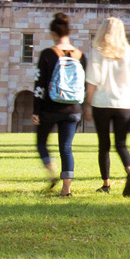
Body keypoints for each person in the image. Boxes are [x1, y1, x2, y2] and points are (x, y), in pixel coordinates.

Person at [85, 17, 130, 197]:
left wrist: (88, 103)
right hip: (124, 104)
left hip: (101, 103)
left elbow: (92, 81)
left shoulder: (97, 52)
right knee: (121, 144)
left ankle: (106, 183)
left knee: (104, 145)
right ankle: (129, 170)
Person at [32, 12, 87, 197]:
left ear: (53, 33)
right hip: (73, 108)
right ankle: (66, 189)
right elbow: (84, 85)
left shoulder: (48, 54)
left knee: (41, 142)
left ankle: (52, 171)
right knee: (66, 147)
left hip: (50, 107)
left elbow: (39, 84)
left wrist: (36, 110)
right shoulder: (80, 55)